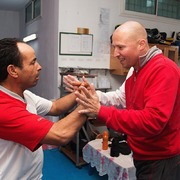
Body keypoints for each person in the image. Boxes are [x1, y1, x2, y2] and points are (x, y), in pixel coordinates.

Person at [73, 21, 180, 180]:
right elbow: (122, 98)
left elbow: (153, 121)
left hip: (161, 158)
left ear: (141, 44)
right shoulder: (136, 70)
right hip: (142, 153)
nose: (115, 53)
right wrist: (95, 97)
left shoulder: (163, 69)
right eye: (114, 47)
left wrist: (101, 112)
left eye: (121, 47)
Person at [0, 38, 88, 180]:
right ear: (13, 71)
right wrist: (88, 104)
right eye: (33, 62)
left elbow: (56, 107)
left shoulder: (25, 94)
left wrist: (80, 92)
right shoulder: (3, 107)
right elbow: (61, 134)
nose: (39, 67)